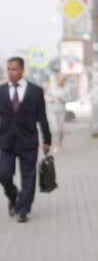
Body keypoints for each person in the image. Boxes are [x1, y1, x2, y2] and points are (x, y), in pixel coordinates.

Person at [0, 57, 51, 223]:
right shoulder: (1, 91)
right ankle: (14, 197)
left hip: (28, 141)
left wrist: (47, 139)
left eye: (14, 69)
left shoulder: (35, 91)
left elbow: (42, 117)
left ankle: (23, 209)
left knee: (28, 177)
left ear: (22, 70)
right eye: (8, 69)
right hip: (6, 141)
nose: (11, 72)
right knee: (4, 174)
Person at [45, 74, 68, 153]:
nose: (61, 81)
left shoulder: (66, 87)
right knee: (55, 128)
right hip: (52, 110)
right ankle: (55, 144)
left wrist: (62, 99)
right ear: (57, 79)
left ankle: (60, 142)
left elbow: (68, 97)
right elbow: (46, 96)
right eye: (60, 79)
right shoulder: (51, 86)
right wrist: (51, 100)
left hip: (61, 110)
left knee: (60, 129)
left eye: (63, 80)